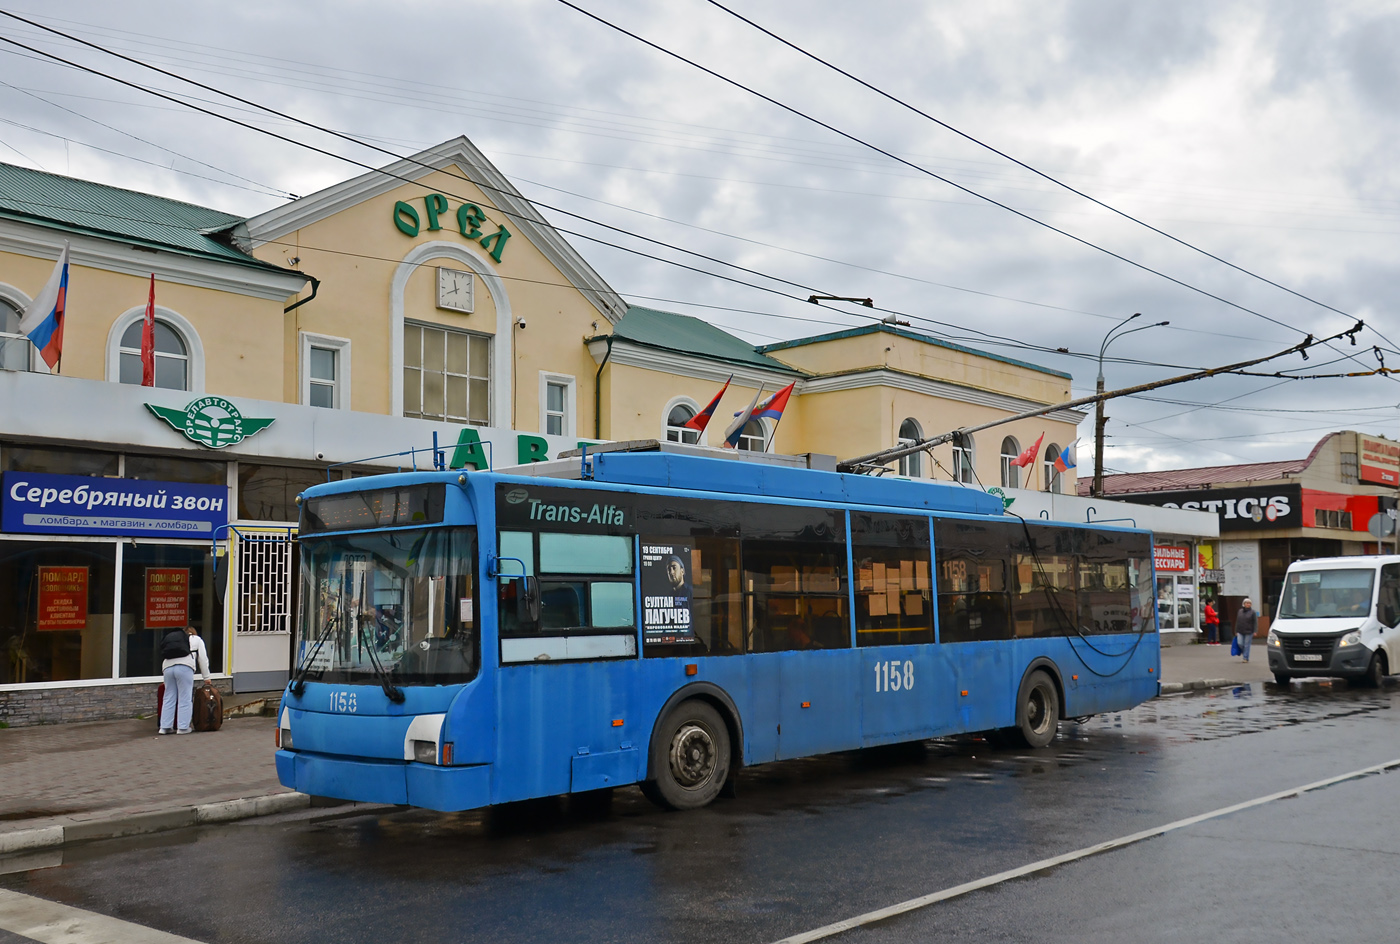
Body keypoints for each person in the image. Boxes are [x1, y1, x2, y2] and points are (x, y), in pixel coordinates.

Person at [160, 625, 211, 735]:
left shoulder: (175, 639)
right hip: (184, 667)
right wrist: (206, 677)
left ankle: (165, 727)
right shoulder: (197, 640)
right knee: (185, 697)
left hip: (167, 667)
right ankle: (183, 727)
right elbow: (203, 659)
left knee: (168, 697)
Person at [1234, 599, 1258, 663]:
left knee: (1247, 644)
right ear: (1244, 604)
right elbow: (1237, 621)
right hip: (1240, 630)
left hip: (1249, 631)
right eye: (1247, 603)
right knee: (1240, 643)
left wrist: (1255, 631)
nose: (1248, 604)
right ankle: (1244, 652)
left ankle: (1245, 658)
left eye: (1249, 603)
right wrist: (1236, 631)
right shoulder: (1240, 611)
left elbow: (1255, 622)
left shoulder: (1253, 612)